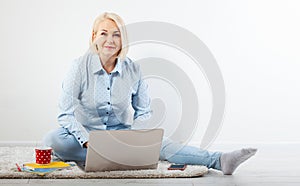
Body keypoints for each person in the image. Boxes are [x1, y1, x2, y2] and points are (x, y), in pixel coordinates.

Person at [43, 12, 257, 175]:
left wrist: (134, 138)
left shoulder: (133, 69)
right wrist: (87, 140)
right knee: (54, 139)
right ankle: (123, 158)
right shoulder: (78, 67)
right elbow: (65, 114)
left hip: (121, 136)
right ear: (94, 37)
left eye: (116, 34)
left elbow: (144, 111)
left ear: (122, 40)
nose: (110, 39)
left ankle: (219, 161)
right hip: (86, 137)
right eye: (104, 33)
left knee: (161, 143)